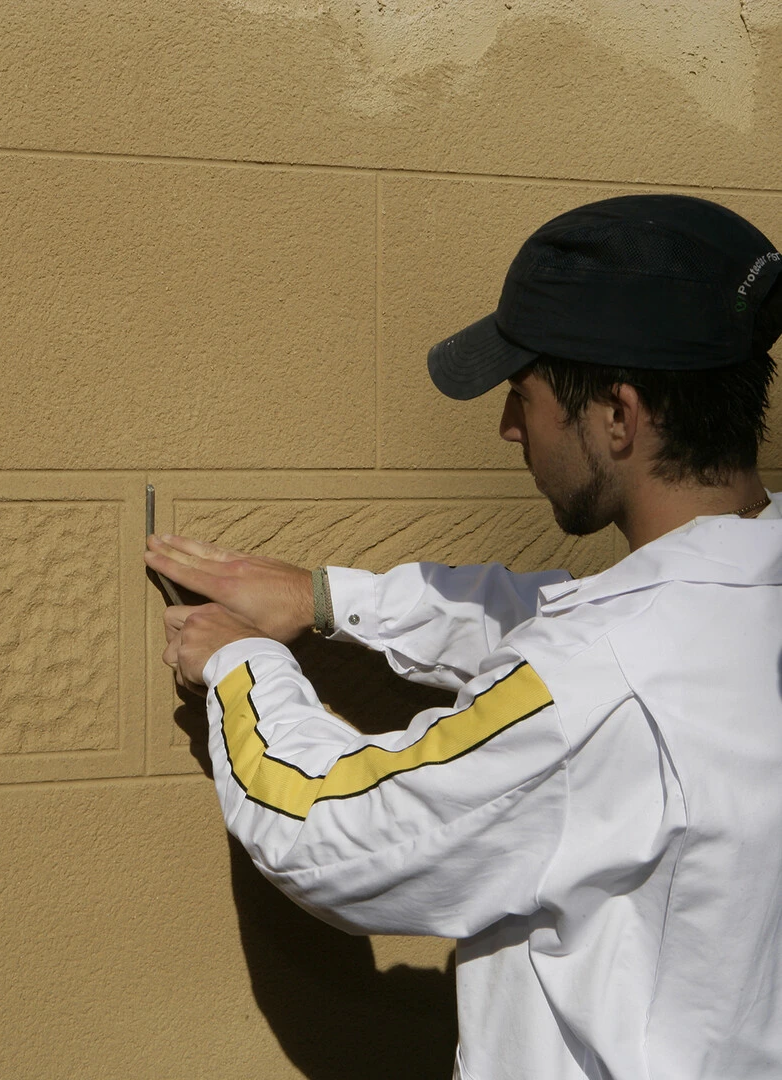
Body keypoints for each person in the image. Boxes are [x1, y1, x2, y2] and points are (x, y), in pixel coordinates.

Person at [147, 193, 782, 1078]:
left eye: (523, 396)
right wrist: (328, 598)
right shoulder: (728, 600)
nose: (509, 427)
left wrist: (238, 661)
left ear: (620, 416)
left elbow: (328, 830)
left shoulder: (594, 685)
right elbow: (566, 612)